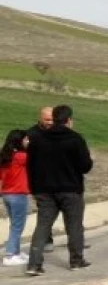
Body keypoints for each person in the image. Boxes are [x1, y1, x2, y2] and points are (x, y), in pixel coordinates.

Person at [25, 105, 93, 275]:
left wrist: (33, 188)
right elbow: (85, 166)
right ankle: (76, 260)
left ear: (53, 118)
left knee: (43, 226)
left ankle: (34, 264)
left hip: (44, 189)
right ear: (69, 120)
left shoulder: (38, 139)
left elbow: (30, 166)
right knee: (74, 226)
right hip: (71, 189)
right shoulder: (76, 139)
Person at [27, 106, 56, 253]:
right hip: (39, 181)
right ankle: (46, 239)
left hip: (58, 179)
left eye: (52, 119)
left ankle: (77, 240)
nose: (50, 122)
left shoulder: (59, 133)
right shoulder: (31, 134)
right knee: (45, 212)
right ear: (40, 118)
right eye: (47, 120)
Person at [1, 129, 31, 267]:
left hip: (6, 194)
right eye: (26, 139)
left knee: (15, 225)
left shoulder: (5, 156)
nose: (28, 142)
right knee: (18, 226)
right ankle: (10, 254)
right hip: (18, 194)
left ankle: (16, 252)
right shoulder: (21, 157)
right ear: (20, 141)